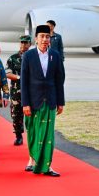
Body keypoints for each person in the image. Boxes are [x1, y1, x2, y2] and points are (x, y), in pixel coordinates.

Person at [21, 25, 65, 177]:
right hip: (33, 101)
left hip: (51, 100)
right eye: (42, 36)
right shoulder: (29, 56)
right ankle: (33, 160)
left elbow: (59, 80)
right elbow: (24, 82)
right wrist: (25, 103)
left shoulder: (55, 55)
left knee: (48, 135)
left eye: (47, 36)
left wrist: (61, 102)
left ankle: (46, 166)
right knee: (33, 132)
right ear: (36, 38)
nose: (45, 39)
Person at [5, 35, 32, 146]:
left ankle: (32, 136)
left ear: (30, 44)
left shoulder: (33, 57)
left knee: (31, 114)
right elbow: (7, 73)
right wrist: (20, 78)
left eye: (26, 43)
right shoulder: (13, 58)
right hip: (17, 92)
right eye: (21, 42)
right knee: (16, 115)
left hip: (31, 92)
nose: (23, 45)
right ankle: (18, 136)